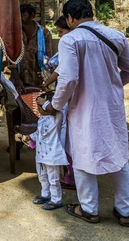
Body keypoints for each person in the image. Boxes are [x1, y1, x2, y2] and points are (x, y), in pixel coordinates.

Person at [37, 0, 129, 227]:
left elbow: (69, 78)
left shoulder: (70, 40)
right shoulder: (116, 35)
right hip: (111, 106)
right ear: (90, 13)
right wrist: (111, 85)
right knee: (119, 156)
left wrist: (55, 104)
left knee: (84, 156)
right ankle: (124, 211)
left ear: (71, 18)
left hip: (83, 107)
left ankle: (89, 209)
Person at [41, 16, 76, 191]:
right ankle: (71, 174)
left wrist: (52, 105)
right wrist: (47, 83)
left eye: (61, 32)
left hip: (70, 98)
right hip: (69, 98)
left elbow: (64, 76)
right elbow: (58, 69)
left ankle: (73, 177)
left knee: (67, 138)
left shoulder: (70, 46)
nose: (61, 36)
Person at [15, 97, 68, 211]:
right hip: (41, 155)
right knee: (42, 176)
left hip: (52, 156)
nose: (39, 109)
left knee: (53, 179)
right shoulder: (41, 120)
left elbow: (56, 110)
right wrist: (26, 136)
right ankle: (45, 194)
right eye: (38, 107)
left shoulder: (56, 117)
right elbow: (38, 134)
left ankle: (56, 199)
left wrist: (45, 103)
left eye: (41, 106)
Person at [10, 4, 53, 91]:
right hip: (19, 80)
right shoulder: (15, 34)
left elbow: (48, 58)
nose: (20, 18)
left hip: (38, 80)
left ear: (32, 15)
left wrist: (45, 76)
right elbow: (11, 59)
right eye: (19, 15)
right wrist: (17, 80)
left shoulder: (44, 33)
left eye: (24, 15)